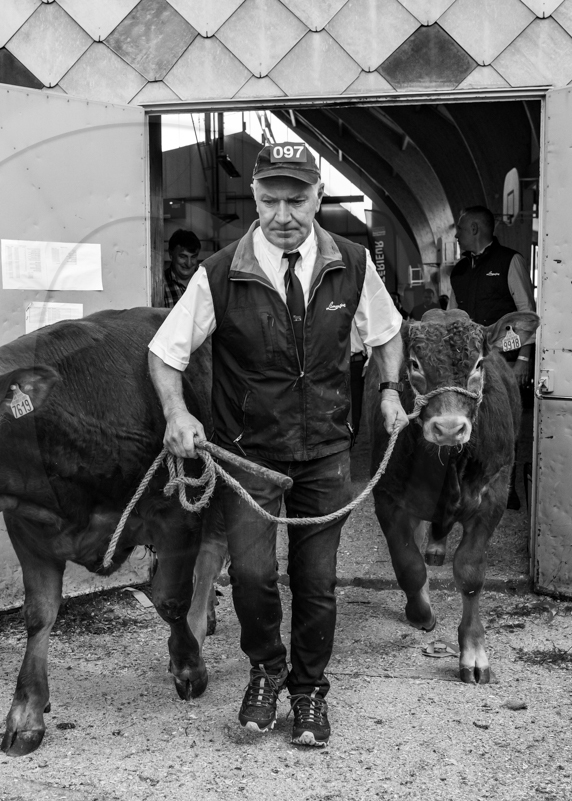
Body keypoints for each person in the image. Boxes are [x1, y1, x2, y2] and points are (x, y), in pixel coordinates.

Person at [148, 144, 407, 748]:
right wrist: (177, 411)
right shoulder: (218, 272)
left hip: (325, 453)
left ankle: (309, 690)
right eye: (270, 200)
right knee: (254, 577)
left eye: (297, 199)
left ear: (319, 197)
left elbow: (389, 334)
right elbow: (164, 353)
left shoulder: (352, 263)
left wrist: (390, 390)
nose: (283, 213)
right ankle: (265, 671)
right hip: (251, 455)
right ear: (255, 200)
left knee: (317, 582)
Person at [444, 205, 536, 508]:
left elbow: (528, 313)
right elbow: (452, 319)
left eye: (459, 229)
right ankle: (470, 484)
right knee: (470, 421)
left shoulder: (511, 261)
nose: (455, 235)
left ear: (474, 229)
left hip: (506, 360)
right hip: (468, 365)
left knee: (504, 423)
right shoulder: (458, 271)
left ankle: (504, 487)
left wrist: (524, 359)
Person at [161, 229, 201, 308]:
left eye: (193, 257)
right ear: (171, 254)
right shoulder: (159, 285)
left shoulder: (205, 282)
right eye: (183, 256)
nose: (188, 264)